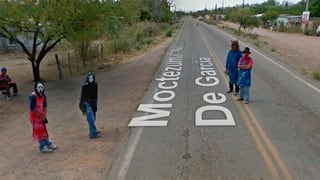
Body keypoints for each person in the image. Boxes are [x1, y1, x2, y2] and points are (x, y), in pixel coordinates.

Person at [29, 81, 57, 153]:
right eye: (39, 87)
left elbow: (45, 106)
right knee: (39, 131)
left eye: (41, 87)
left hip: (41, 115)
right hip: (34, 117)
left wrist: (44, 116)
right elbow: (32, 109)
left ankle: (48, 143)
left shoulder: (43, 96)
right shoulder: (33, 96)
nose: (40, 89)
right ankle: (42, 146)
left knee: (43, 129)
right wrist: (41, 117)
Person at [79, 72, 100, 139]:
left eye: (92, 78)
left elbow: (95, 95)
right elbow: (83, 97)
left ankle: (94, 130)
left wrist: (95, 104)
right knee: (90, 118)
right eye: (89, 78)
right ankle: (92, 133)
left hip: (93, 102)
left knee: (93, 118)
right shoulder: (85, 86)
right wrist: (87, 107)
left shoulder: (95, 84)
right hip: (86, 103)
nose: (91, 79)